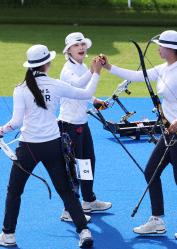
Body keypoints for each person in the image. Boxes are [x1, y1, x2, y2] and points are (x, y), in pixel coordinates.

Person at [0, 44, 103, 248]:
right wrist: (96, 73)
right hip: (52, 145)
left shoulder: (20, 89)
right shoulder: (56, 85)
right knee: (66, 190)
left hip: (28, 148)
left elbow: (15, 123)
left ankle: (8, 235)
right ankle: (84, 232)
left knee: (14, 191)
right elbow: (87, 94)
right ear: (48, 63)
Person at [100, 30, 177, 240]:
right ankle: (157, 221)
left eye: (160, 46)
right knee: (151, 171)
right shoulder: (164, 69)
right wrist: (108, 67)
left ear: (170, 49)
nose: (157, 48)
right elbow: (135, 76)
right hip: (170, 132)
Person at [58, 32, 112, 222]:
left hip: (82, 123)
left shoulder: (80, 66)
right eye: (76, 45)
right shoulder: (67, 70)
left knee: (87, 162)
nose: (81, 48)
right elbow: (80, 86)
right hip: (69, 126)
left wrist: (95, 100)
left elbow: (84, 92)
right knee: (72, 168)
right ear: (68, 50)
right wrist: (95, 71)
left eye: (82, 44)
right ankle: (69, 210)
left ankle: (88, 200)